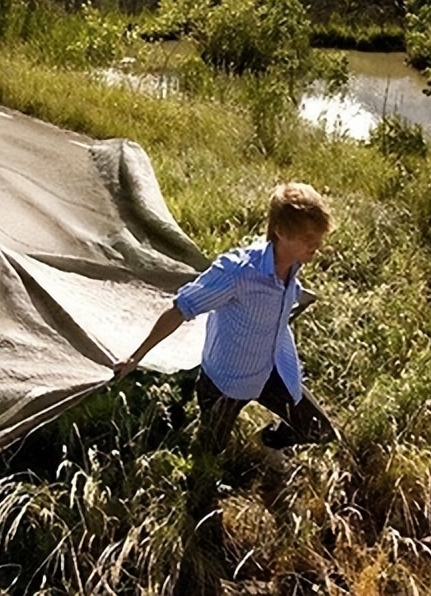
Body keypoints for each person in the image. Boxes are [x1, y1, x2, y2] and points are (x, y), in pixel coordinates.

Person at [116, 182, 337, 590]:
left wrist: (298, 298)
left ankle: (268, 444)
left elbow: (279, 299)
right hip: (225, 383)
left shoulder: (293, 264)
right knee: (204, 476)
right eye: (309, 239)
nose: (316, 247)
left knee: (320, 430)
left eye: (318, 239)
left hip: (271, 370)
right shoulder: (238, 271)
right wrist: (136, 356)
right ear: (281, 233)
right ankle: (198, 550)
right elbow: (180, 308)